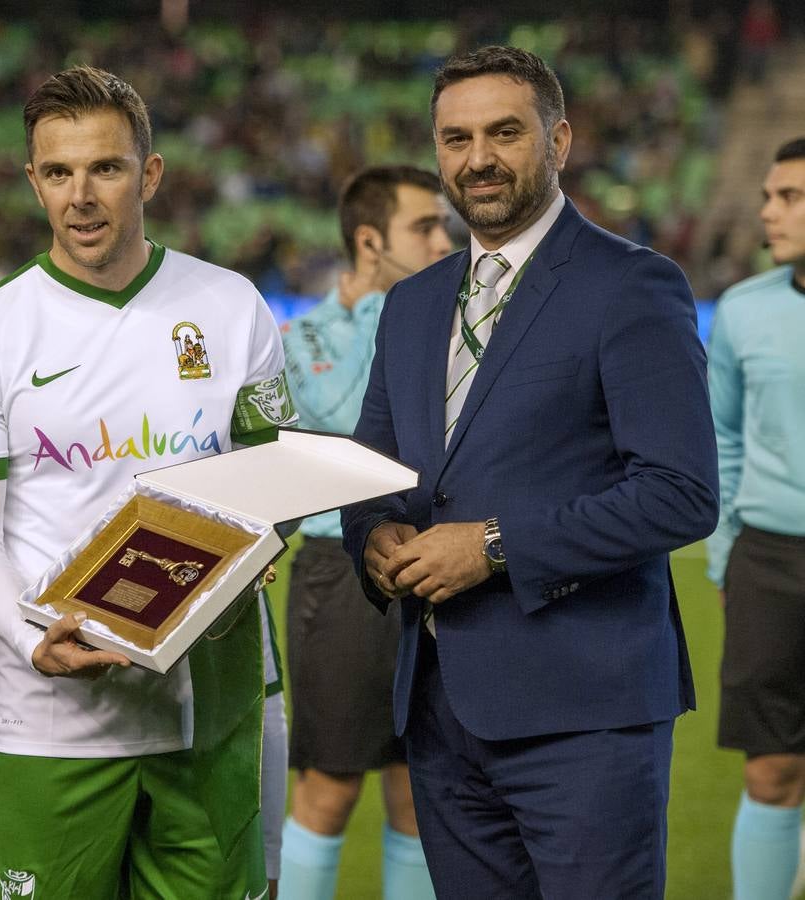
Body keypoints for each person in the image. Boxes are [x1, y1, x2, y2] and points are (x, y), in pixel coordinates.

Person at [341, 46, 718, 898]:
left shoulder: (633, 286)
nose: (478, 159)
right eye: (456, 138)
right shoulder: (411, 304)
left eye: (504, 133)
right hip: (439, 713)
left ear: (559, 140)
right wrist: (374, 537)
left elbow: (681, 492)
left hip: (585, 718)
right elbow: (376, 473)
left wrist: (496, 545)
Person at [0, 65, 296, 900]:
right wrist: (30, 641)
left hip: (209, 716)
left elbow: (273, 482)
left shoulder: (232, 308)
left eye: (106, 168)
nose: (80, 196)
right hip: (54, 721)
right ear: (33, 181)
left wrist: (267, 538)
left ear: (150, 174)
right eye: (57, 172)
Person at [278, 166, 451, 900]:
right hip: (335, 569)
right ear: (370, 241)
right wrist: (391, 312)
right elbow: (358, 425)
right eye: (426, 227)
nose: (447, 240)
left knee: (418, 788)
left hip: (431, 562)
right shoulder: (300, 337)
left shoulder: (455, 321)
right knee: (331, 786)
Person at [707, 136, 805, 900]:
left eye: (790, 197)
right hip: (770, 562)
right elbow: (726, 442)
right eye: (770, 195)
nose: (769, 211)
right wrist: (726, 557)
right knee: (771, 769)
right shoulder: (742, 310)